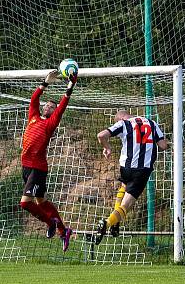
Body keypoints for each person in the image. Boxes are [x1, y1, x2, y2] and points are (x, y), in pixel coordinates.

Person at [19, 68, 78, 252]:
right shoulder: (34, 117)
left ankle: (50, 222)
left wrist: (71, 84)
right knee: (41, 202)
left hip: (37, 168)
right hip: (26, 166)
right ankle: (63, 230)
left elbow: (63, 105)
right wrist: (45, 82)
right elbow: (34, 99)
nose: (48, 107)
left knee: (25, 203)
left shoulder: (50, 123)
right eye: (47, 105)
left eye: (52, 107)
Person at [95, 110, 168, 244]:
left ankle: (116, 222)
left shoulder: (123, 124)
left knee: (124, 185)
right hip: (142, 170)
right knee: (126, 205)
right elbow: (163, 146)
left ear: (119, 119)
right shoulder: (152, 123)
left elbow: (101, 135)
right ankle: (108, 222)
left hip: (126, 168)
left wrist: (108, 147)